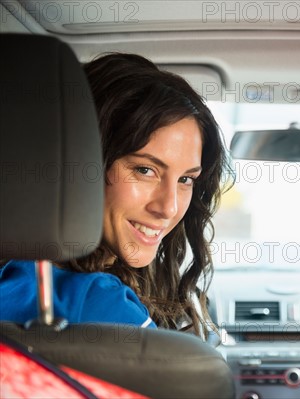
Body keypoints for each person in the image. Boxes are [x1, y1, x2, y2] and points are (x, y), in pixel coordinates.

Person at [0, 53, 230, 336]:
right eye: (145, 170)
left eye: (185, 179)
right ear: (79, 165)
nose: (168, 207)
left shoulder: (14, 277)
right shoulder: (97, 304)